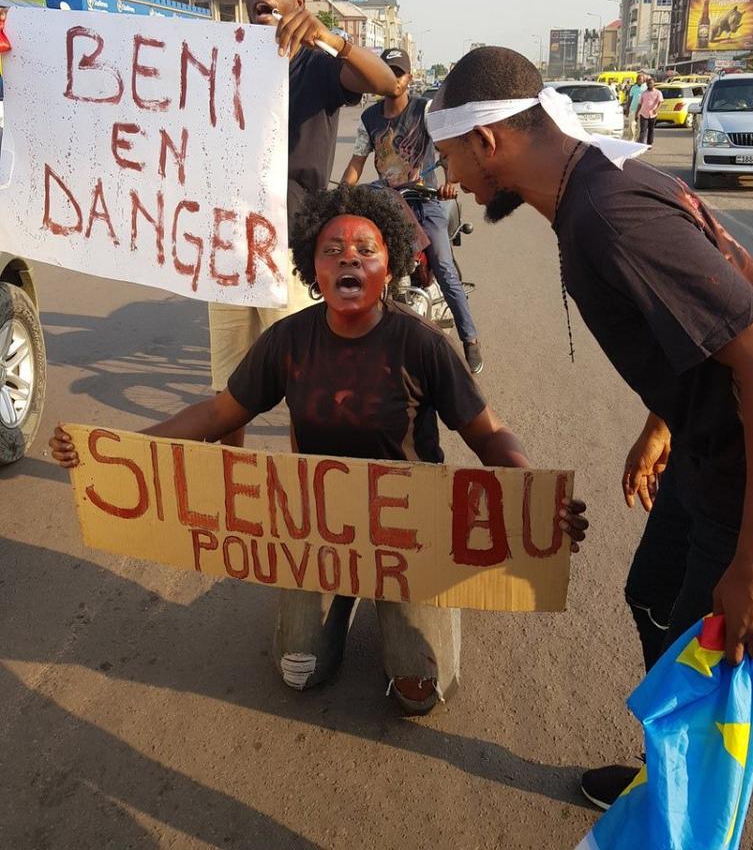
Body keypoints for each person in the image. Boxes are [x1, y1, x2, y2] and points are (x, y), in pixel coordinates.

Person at [424, 46, 753, 804]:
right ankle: (664, 773)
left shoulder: (608, 214)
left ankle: (686, 817)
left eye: (451, 160)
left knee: (713, 662)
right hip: (706, 448)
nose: (454, 184)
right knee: (653, 597)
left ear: (488, 140)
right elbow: (702, 327)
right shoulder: (595, 189)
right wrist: (661, 423)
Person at [51, 184, 588, 714]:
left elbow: (489, 433)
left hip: (411, 537)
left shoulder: (422, 343)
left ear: (389, 266)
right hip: (317, 531)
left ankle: (421, 608)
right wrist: (113, 449)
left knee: (416, 692)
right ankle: (341, 599)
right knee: (299, 671)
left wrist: (534, 496)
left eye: (365, 250)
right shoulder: (287, 341)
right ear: (313, 269)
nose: (347, 258)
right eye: (331, 250)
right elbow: (217, 415)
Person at [208, 0, 403, 449]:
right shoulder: (220, 60)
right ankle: (231, 482)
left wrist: (328, 37)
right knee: (229, 385)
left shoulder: (317, 65)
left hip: (290, 241)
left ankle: (302, 488)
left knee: (303, 382)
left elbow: (382, 82)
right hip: (224, 241)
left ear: (297, 0)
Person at [340, 48, 483, 374]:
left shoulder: (426, 110)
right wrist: (342, 196)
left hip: (427, 198)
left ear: (408, 78)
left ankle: (470, 338)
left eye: (398, 72)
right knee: (362, 258)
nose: (392, 78)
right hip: (387, 200)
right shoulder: (369, 119)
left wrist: (450, 182)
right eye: (386, 71)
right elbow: (356, 163)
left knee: (443, 265)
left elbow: (447, 150)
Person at [637, 75, 663, 145]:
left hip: (653, 114)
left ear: (654, 84)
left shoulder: (658, 92)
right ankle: (640, 144)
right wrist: (637, 113)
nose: (649, 84)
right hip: (643, 114)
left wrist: (657, 109)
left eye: (651, 83)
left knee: (651, 130)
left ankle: (649, 144)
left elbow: (660, 102)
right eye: (648, 83)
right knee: (643, 130)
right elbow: (639, 104)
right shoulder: (644, 93)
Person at [626, 72, 646, 139]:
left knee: (640, 127)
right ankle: (631, 140)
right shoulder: (633, 87)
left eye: (640, 79)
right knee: (631, 126)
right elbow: (630, 99)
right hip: (633, 109)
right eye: (638, 79)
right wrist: (627, 109)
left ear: (643, 80)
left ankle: (638, 140)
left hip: (642, 110)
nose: (639, 80)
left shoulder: (646, 88)